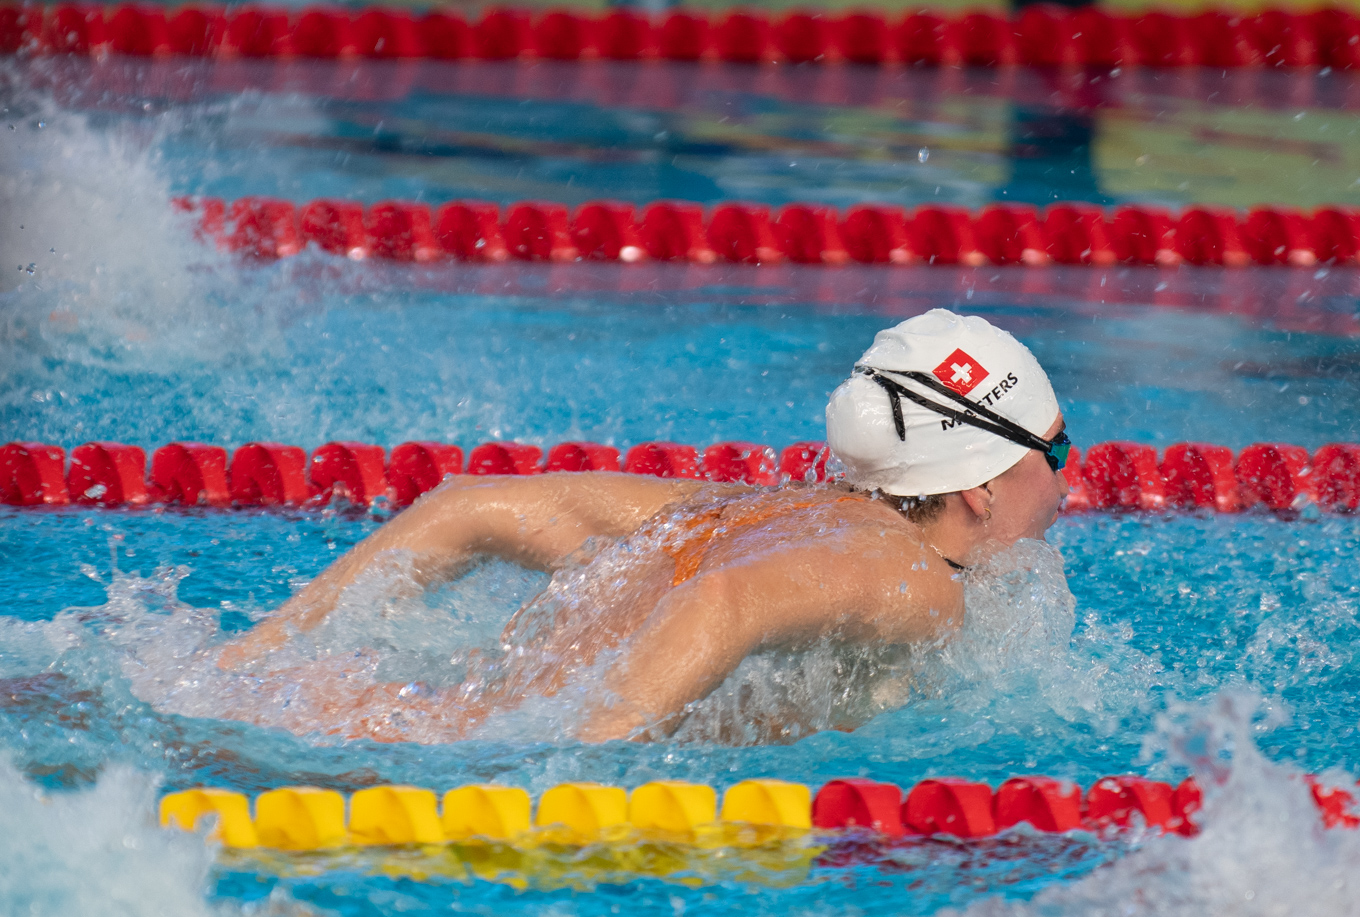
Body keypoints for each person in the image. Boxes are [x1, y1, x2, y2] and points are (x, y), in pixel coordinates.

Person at [216, 309, 1071, 742]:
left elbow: (466, 506)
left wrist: (254, 654)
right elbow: (722, 603)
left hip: (365, 714)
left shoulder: (760, 512)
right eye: (1055, 449)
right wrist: (564, 788)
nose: (1070, 481)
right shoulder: (918, 583)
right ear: (980, 487)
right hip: (423, 767)